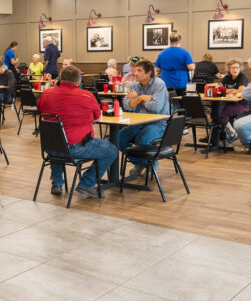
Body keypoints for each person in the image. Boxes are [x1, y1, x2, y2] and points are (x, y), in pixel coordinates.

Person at [36, 66, 117, 198]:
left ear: (60, 79)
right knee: (111, 150)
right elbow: (97, 117)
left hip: (49, 147)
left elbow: (40, 110)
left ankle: (56, 183)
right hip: (75, 148)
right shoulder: (86, 95)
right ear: (78, 81)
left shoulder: (46, 93)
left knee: (58, 138)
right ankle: (87, 184)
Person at [118, 59, 170, 178]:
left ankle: (150, 166)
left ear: (148, 73)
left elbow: (156, 107)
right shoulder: (134, 85)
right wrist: (141, 98)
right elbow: (126, 105)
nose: (135, 73)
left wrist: (138, 98)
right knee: (118, 138)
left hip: (158, 123)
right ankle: (142, 163)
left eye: (139, 71)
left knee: (143, 139)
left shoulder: (159, 84)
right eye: (135, 70)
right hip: (138, 123)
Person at [217, 58, 250, 141]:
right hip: (228, 102)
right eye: (233, 68)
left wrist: (226, 90)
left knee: (222, 114)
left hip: (242, 103)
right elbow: (220, 90)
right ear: (229, 69)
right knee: (216, 111)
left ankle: (232, 133)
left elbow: (241, 90)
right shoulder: (226, 78)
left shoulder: (242, 77)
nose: (235, 70)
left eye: (237, 67)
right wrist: (233, 91)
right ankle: (217, 135)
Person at [155, 31, 194, 97]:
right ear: (180, 40)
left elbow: (157, 69)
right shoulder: (185, 53)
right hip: (180, 82)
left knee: (167, 103)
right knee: (181, 104)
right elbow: (191, 67)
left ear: (170, 40)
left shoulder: (162, 53)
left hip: (166, 82)